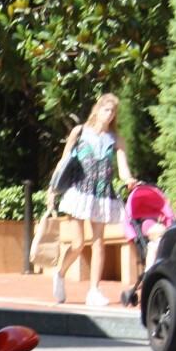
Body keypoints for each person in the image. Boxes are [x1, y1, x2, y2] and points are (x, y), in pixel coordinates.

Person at [47, 94, 139, 306]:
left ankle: (94, 290)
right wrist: (52, 190)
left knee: (99, 242)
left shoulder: (116, 139)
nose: (109, 114)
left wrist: (129, 179)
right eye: (106, 110)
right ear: (97, 110)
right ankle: (60, 274)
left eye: (113, 111)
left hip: (101, 193)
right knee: (78, 243)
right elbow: (63, 161)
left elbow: (123, 168)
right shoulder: (79, 132)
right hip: (79, 191)